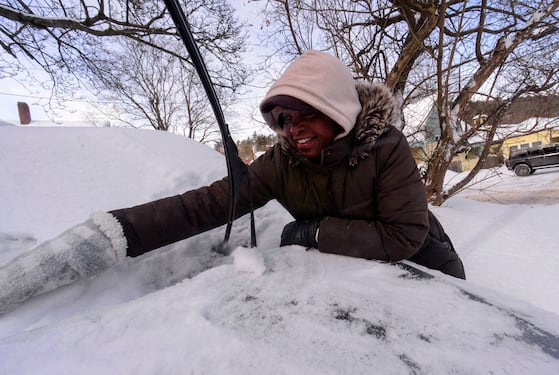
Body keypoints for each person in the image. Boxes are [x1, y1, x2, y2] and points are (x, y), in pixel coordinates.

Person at [0, 50, 465, 315]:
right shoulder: (280, 164)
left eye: (307, 113)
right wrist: (109, 236)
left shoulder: (386, 148)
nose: (292, 127)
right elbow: (207, 204)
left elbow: (404, 235)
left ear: (339, 108)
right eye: (283, 118)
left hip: (426, 269)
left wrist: (313, 231)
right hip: (358, 278)